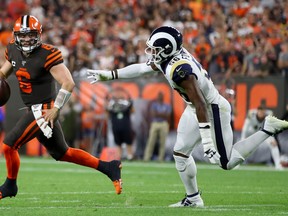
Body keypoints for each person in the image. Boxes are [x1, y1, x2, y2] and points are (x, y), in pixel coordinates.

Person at [87, 26, 288, 207]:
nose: (151, 53)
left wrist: (207, 142)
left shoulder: (180, 71)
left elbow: (201, 104)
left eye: (155, 49)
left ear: (167, 50)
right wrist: (110, 75)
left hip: (212, 109)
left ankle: (268, 128)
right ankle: (193, 199)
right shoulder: (169, 57)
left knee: (227, 163)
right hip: (195, 109)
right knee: (181, 154)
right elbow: (142, 68)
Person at [0, 15, 122, 200]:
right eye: (22, 35)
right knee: (63, 153)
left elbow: (69, 83)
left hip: (44, 110)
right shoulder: (13, 50)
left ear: (38, 35)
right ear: (16, 36)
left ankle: (10, 185)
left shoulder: (47, 54)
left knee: (9, 146)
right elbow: (3, 72)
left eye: (30, 35)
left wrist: (56, 108)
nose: (26, 39)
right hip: (32, 108)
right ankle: (108, 167)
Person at [241, 106, 283, 170]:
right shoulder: (251, 115)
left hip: (263, 133)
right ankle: (237, 164)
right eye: (260, 112)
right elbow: (245, 127)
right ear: (257, 111)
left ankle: (278, 164)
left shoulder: (268, 117)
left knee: (273, 144)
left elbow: (271, 128)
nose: (261, 114)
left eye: (262, 113)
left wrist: (273, 139)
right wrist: (243, 138)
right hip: (252, 132)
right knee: (241, 145)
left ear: (264, 112)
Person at [106, 87, 134, 160]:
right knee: (118, 143)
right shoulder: (112, 104)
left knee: (128, 141)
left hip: (125, 126)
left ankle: (130, 156)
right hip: (116, 126)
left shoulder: (126, 103)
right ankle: (119, 156)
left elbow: (133, 111)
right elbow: (107, 112)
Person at [144, 92, 171, 162]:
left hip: (164, 123)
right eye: (159, 96)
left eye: (161, 96)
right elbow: (153, 114)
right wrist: (163, 114)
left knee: (163, 142)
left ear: (163, 97)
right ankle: (147, 158)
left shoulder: (167, 105)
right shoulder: (154, 105)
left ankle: (161, 158)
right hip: (155, 123)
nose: (160, 97)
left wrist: (158, 114)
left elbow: (168, 116)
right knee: (151, 141)